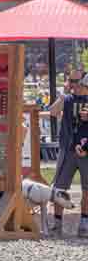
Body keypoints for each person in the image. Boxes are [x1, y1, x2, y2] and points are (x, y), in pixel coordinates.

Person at [48, 75, 87, 236]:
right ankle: (57, 223)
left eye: (74, 81)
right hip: (68, 150)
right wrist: (63, 95)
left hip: (86, 152)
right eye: (70, 81)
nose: (71, 84)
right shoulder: (68, 99)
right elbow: (52, 112)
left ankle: (84, 224)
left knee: (87, 189)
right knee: (59, 188)